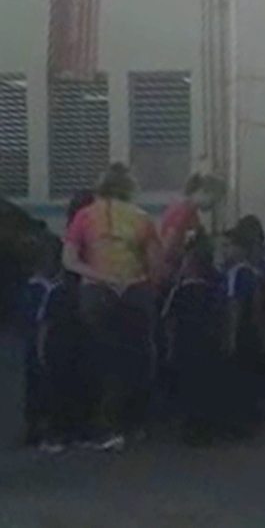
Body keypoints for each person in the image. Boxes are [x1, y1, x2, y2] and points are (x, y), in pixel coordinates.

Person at [62, 163, 162, 452]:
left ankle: (105, 428)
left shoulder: (84, 216)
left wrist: (100, 275)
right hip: (135, 291)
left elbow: (69, 260)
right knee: (135, 358)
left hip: (97, 293)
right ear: (131, 188)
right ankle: (135, 424)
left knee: (100, 358)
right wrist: (137, 281)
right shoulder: (141, 218)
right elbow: (155, 263)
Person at [163, 230, 229, 446]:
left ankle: (190, 428)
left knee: (188, 387)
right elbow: (221, 318)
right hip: (207, 345)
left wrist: (170, 347)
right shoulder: (214, 291)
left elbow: (169, 320)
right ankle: (206, 427)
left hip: (185, 346)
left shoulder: (180, 291)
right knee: (205, 386)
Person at [19, 235, 70, 453]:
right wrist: (42, 350)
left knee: (33, 390)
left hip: (30, 346)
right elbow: (44, 322)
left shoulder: (29, 287)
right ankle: (46, 435)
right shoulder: (51, 290)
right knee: (47, 391)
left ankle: (32, 432)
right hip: (46, 346)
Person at [224, 215, 265, 432]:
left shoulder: (236, 273)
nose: (225, 251)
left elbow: (234, 305)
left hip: (242, 329)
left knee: (238, 377)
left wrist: (230, 337)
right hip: (254, 329)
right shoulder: (254, 272)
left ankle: (239, 423)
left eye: (228, 246)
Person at [157, 173, 226, 282]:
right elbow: (168, 246)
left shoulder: (189, 213)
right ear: (204, 191)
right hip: (170, 271)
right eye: (213, 201)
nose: (213, 206)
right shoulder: (182, 214)